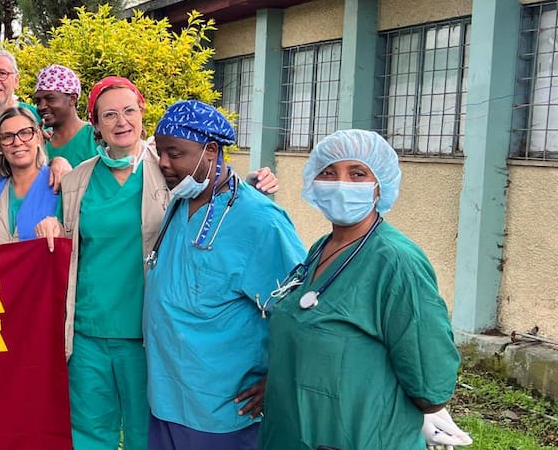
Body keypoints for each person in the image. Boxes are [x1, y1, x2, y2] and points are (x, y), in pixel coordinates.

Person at [36, 82, 280, 450]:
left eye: (129, 111)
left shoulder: (170, 170)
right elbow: (65, 238)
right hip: (88, 330)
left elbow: (213, 187)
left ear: (142, 112)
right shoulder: (76, 181)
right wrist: (51, 224)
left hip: (147, 336)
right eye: (109, 115)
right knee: (88, 432)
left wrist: (250, 184)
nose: (121, 122)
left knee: (145, 432)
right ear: (94, 124)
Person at [260, 129, 466, 450]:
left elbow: (430, 382)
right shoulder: (322, 248)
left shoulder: (397, 262)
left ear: (379, 186)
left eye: (357, 174)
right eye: (329, 173)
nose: (341, 184)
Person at [144, 100, 305, 450]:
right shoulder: (180, 203)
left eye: (175, 153)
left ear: (211, 151)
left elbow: (300, 311)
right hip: (165, 399)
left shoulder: (260, 222)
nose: (164, 163)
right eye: (160, 152)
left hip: (222, 413)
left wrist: (278, 377)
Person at [0, 106, 58, 246]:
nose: (17, 142)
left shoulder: (59, 183)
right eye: (7, 137)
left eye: (25, 133)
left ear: (38, 137)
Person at [34, 65, 97, 166]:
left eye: (50, 99)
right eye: (38, 101)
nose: (41, 107)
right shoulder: (39, 142)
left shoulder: (95, 137)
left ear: (72, 99)